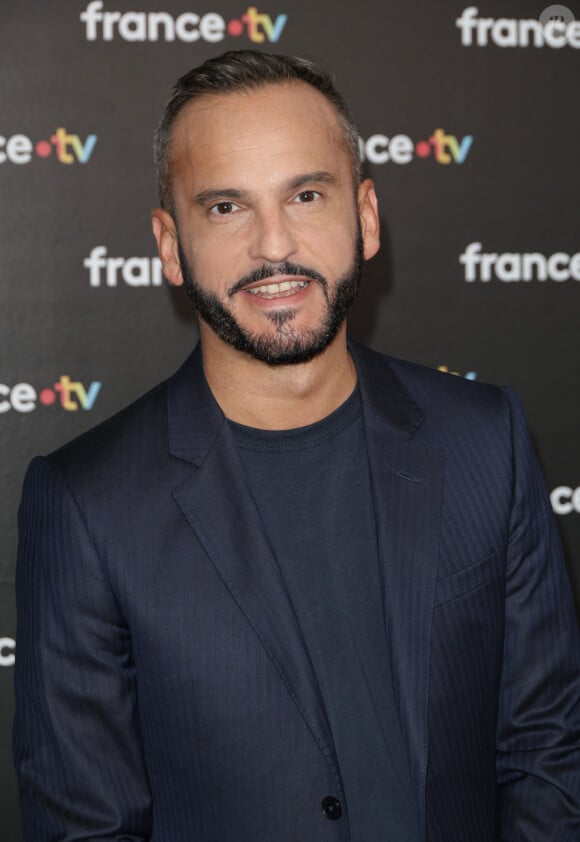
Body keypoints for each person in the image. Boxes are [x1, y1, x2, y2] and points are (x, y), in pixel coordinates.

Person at [13, 50, 580, 842]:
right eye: (225, 208)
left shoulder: (488, 440)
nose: (272, 245)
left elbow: (549, 751)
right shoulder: (85, 503)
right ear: (170, 245)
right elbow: (85, 826)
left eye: (306, 194)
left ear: (367, 216)